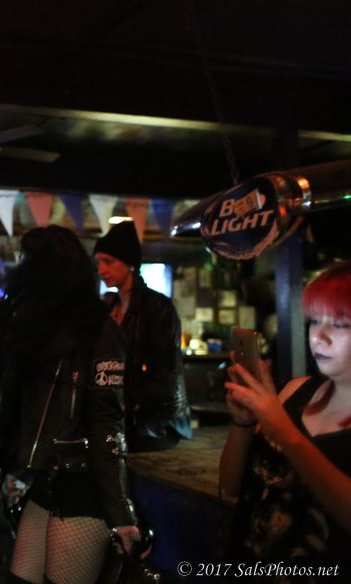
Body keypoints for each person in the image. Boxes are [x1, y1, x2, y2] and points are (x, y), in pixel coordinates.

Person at [0, 226, 140, 584]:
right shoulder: (34, 326)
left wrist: (120, 510)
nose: (22, 269)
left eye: (31, 261)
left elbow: (106, 423)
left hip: (81, 483)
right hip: (44, 480)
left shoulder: (97, 329)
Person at [219, 260, 351, 579]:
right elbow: (231, 488)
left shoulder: (283, 416)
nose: (319, 337)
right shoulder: (295, 391)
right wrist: (243, 423)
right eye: (315, 320)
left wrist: (284, 431)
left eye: (340, 324)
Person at [94, 221, 192, 451]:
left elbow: (165, 372)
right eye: (98, 262)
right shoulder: (111, 306)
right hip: (125, 419)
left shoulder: (156, 306)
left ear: (129, 263)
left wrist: (127, 403)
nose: (101, 270)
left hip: (154, 424)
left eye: (108, 261)